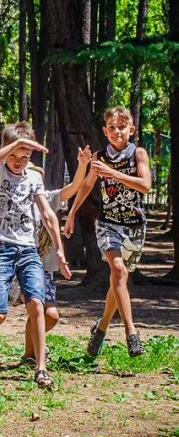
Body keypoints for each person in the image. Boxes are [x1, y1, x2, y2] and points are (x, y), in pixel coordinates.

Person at [0, 122, 71, 388]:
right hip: (1, 248)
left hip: (29, 250)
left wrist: (61, 251)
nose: (19, 161)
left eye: (25, 156)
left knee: (37, 305)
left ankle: (41, 368)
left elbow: (48, 214)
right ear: (5, 151)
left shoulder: (34, 178)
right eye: (14, 155)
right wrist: (14, 145)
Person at [65, 107, 152, 358]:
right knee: (118, 270)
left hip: (134, 226)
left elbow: (145, 185)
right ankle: (131, 333)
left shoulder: (138, 153)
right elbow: (86, 185)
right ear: (105, 131)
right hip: (108, 224)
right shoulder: (100, 158)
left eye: (121, 127)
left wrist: (113, 174)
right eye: (111, 128)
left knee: (119, 282)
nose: (116, 132)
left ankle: (101, 328)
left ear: (131, 130)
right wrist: (71, 214)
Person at [18, 146, 92, 366]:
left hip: (45, 269)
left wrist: (82, 165)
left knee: (51, 316)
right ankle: (32, 356)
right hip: (21, 264)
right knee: (36, 307)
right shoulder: (14, 202)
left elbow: (74, 187)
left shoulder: (49, 199)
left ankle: (30, 352)